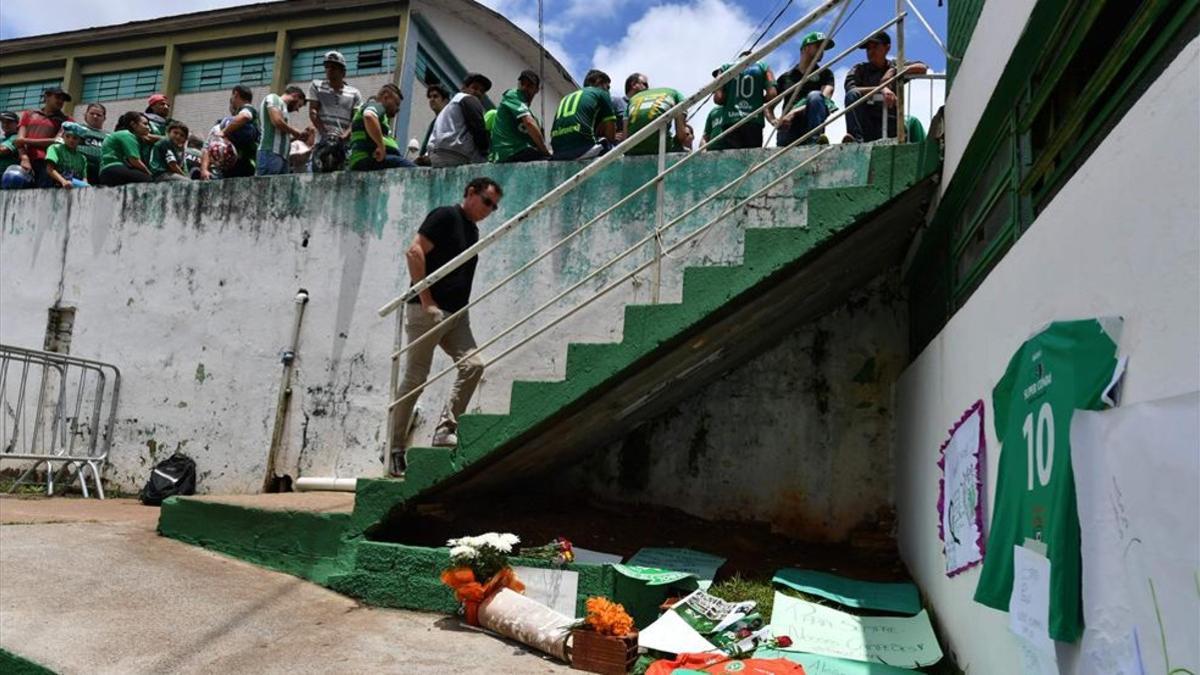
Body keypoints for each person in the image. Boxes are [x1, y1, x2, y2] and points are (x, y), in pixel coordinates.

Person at [388, 176, 502, 477]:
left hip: (456, 314)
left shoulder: (472, 230)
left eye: (494, 206)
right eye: (487, 201)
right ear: (470, 193)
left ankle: (445, 428)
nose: (489, 209)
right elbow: (415, 251)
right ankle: (394, 449)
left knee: (473, 364)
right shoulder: (445, 215)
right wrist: (426, 299)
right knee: (416, 377)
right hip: (428, 310)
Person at [843, 31, 928, 142]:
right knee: (852, 95)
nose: (871, 52)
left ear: (887, 48)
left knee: (911, 122)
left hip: (891, 124)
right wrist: (881, 89)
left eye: (875, 47)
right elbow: (851, 90)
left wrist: (895, 70)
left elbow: (923, 67)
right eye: (868, 49)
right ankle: (855, 141)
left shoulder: (893, 65)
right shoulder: (860, 69)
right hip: (867, 124)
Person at [775, 31, 837, 146]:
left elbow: (825, 99)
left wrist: (794, 112)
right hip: (788, 130)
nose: (822, 51)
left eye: (823, 48)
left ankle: (814, 142)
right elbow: (769, 104)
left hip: (809, 126)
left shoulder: (825, 74)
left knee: (815, 96)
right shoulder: (786, 77)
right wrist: (774, 121)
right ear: (805, 48)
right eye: (818, 46)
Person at [307, 50, 363, 173]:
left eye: (333, 67)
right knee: (316, 176)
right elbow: (313, 111)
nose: (329, 70)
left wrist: (346, 135)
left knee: (342, 179)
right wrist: (324, 133)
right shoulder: (316, 86)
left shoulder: (354, 93)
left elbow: (356, 119)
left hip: (344, 145)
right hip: (322, 142)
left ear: (343, 72)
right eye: (327, 67)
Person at [712, 51, 777, 149]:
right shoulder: (763, 66)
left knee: (733, 160)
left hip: (731, 121)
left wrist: (731, 99)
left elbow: (718, 98)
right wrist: (758, 100)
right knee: (751, 159)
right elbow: (772, 94)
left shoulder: (725, 67)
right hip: (754, 120)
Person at [550, 69, 617, 161]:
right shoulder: (602, 94)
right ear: (599, 82)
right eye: (607, 87)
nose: (608, 91)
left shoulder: (566, 97)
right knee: (615, 147)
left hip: (557, 153)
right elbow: (611, 136)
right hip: (582, 150)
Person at [427, 73, 492, 168]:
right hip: (454, 153)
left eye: (482, 91)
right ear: (464, 88)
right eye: (475, 88)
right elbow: (478, 128)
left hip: (436, 155)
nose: (478, 92)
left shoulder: (450, 105)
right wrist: (485, 150)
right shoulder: (467, 98)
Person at [348, 83, 415, 171]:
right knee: (415, 171)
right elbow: (369, 116)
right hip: (368, 159)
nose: (398, 109)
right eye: (397, 103)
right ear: (386, 97)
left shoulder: (382, 118)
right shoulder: (377, 106)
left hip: (369, 160)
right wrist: (381, 146)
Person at [16, 86, 73, 188]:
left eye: (63, 99)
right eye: (58, 97)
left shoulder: (67, 121)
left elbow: (57, 141)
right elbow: (18, 140)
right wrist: (24, 158)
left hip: (48, 164)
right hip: (25, 162)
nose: (61, 101)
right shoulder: (29, 114)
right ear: (47, 96)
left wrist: (25, 140)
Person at [489, 70, 551, 163]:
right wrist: (545, 152)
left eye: (529, 85)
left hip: (519, 152)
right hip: (509, 152)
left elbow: (535, 139)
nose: (524, 88)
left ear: (537, 90)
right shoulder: (512, 95)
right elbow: (529, 123)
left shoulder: (534, 119)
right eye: (522, 84)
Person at [625, 84, 693, 155]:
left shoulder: (633, 99)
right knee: (686, 152)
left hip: (633, 148)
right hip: (660, 147)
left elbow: (625, 138)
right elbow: (681, 135)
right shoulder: (677, 95)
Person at [258, 86, 310, 176]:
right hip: (270, 152)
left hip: (282, 156)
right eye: (299, 105)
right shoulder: (274, 98)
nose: (297, 110)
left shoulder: (283, 109)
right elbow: (277, 121)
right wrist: (294, 131)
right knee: (265, 186)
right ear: (295, 96)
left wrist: (297, 137)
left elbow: (280, 134)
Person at [97, 111, 153, 186]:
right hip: (115, 169)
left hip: (105, 173)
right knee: (150, 182)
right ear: (133, 124)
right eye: (145, 124)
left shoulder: (121, 134)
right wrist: (149, 174)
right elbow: (134, 161)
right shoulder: (128, 135)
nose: (148, 127)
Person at [217, 85, 260, 178]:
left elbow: (245, 116)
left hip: (245, 162)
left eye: (232, 97)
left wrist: (224, 131)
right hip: (240, 162)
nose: (231, 100)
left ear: (235, 94)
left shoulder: (248, 109)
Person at [45, 122, 90, 189]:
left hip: (74, 189)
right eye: (67, 136)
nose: (71, 140)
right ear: (63, 136)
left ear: (79, 140)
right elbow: (50, 169)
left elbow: (84, 178)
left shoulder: (82, 158)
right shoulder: (55, 148)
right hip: (55, 187)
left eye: (75, 138)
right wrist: (63, 181)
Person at [415, 84, 450, 166]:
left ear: (445, 100)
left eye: (435, 96)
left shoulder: (449, 119)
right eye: (430, 97)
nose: (432, 99)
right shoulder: (434, 122)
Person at [76, 103, 108, 184]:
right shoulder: (76, 128)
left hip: (102, 174)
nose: (95, 116)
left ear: (104, 118)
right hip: (79, 171)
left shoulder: (110, 136)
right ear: (85, 115)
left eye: (98, 115)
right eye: (92, 113)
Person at [615, 72, 648, 141]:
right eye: (645, 84)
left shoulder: (644, 107)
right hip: (619, 149)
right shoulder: (617, 102)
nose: (647, 88)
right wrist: (610, 136)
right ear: (633, 84)